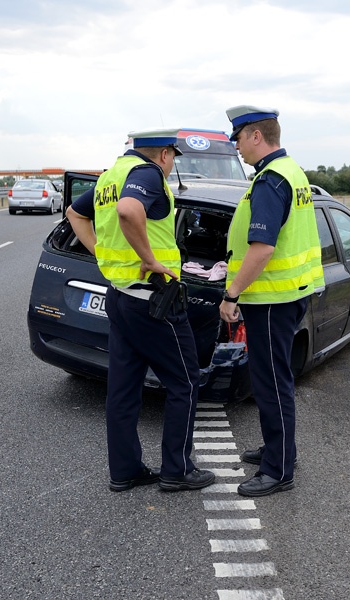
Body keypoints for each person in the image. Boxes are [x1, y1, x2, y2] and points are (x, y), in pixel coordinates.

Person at [66, 129, 215, 493]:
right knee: (184, 382)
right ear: (165, 154)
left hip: (120, 297)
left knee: (123, 389)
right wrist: (150, 260)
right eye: (173, 158)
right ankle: (176, 470)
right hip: (154, 300)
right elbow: (129, 210)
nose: (171, 165)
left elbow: (73, 213)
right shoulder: (147, 174)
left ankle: (125, 470)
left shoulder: (109, 177)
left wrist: (102, 252)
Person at [219, 106, 325, 497]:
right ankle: (279, 450)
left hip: (270, 299)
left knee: (270, 383)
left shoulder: (269, 180)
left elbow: (262, 249)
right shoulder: (292, 171)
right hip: (287, 294)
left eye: (238, 138)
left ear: (256, 136)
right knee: (274, 379)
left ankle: (278, 470)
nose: (236, 147)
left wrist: (232, 294)